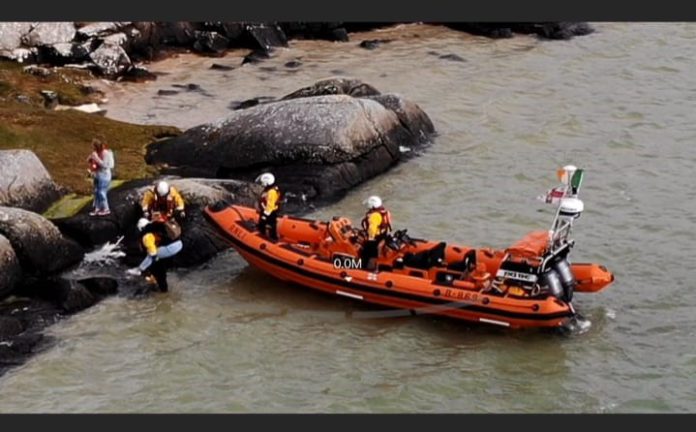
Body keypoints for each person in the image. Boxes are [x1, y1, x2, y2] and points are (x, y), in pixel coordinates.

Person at [126, 217, 183, 292]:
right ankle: (158, 284)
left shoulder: (146, 236)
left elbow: (153, 252)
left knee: (151, 255)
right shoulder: (156, 228)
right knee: (160, 271)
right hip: (179, 244)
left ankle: (139, 270)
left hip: (170, 248)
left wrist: (153, 258)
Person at [360, 195, 392, 271]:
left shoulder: (374, 216)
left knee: (365, 252)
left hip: (376, 238)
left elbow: (372, 229)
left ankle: (364, 268)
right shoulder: (386, 212)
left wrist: (369, 238)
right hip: (384, 236)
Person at [87, 137, 115, 217]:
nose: (92, 147)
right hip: (97, 175)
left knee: (101, 192)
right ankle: (97, 208)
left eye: (94, 146)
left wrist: (96, 158)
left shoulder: (106, 153)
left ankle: (106, 209)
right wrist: (90, 159)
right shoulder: (96, 153)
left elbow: (105, 165)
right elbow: (91, 161)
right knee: (96, 192)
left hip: (104, 176)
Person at [255, 172, 281, 241]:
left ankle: (269, 240)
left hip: (270, 213)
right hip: (267, 211)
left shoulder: (271, 192)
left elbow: (270, 206)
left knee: (266, 227)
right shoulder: (270, 190)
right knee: (264, 226)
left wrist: (264, 216)